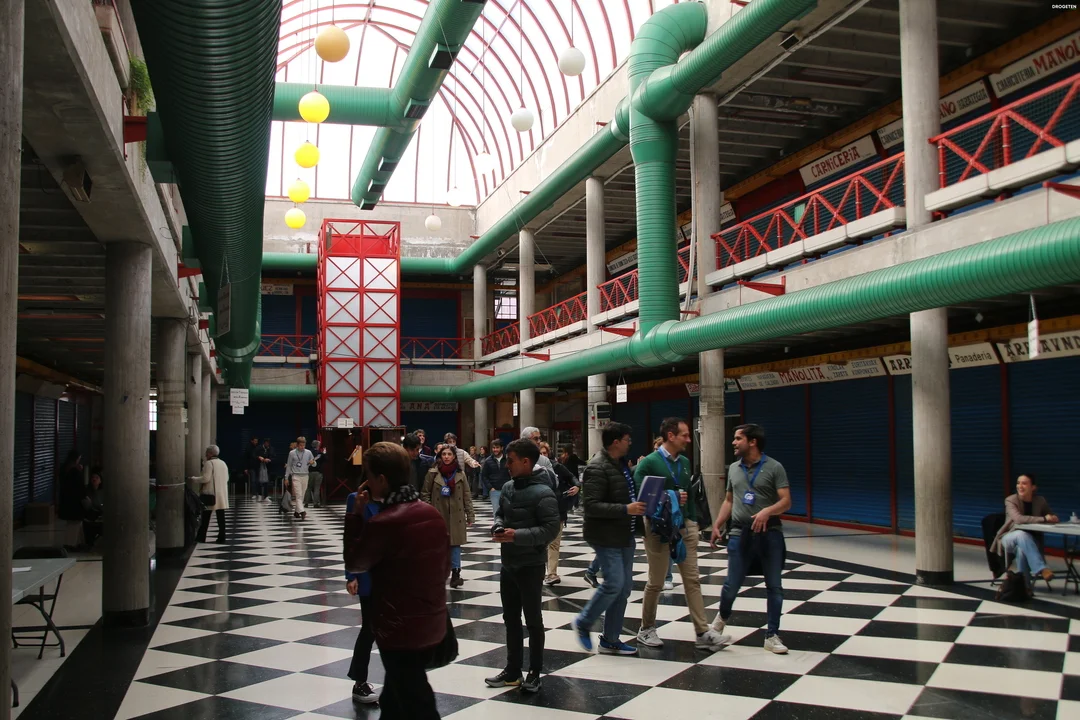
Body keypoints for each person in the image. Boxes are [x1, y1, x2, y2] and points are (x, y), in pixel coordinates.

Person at [343, 442, 449, 720]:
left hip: (398, 629)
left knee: (418, 703)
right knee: (395, 700)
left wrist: (355, 516)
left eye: (368, 475)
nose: (365, 482)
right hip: (430, 620)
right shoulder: (431, 513)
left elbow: (355, 562)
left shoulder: (384, 523)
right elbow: (445, 568)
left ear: (381, 480)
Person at [635, 418, 730, 653]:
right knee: (656, 581)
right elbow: (641, 498)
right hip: (658, 527)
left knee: (692, 578)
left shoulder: (685, 463)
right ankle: (646, 628)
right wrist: (670, 496)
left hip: (685, 525)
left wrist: (693, 521)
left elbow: (690, 494)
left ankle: (702, 632)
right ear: (671, 436)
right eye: (685, 435)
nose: (689, 439)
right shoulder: (649, 463)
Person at [710, 423, 792, 654]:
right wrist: (717, 523)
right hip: (740, 533)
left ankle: (772, 635)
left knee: (774, 586)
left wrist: (768, 511)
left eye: (738, 438)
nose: (733, 443)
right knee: (731, 583)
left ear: (752, 442)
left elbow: (786, 501)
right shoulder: (734, 469)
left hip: (770, 534)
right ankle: (719, 623)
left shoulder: (774, 467)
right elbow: (729, 500)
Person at [486, 439, 560, 693]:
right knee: (510, 618)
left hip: (531, 564)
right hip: (509, 564)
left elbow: (550, 529)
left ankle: (535, 672)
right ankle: (513, 670)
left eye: (510, 461)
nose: (506, 465)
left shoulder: (544, 493)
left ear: (526, 462)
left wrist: (516, 535)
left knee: (533, 620)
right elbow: (501, 513)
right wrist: (498, 526)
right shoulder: (508, 487)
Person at [571, 422, 642, 655]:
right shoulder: (597, 467)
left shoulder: (621, 464)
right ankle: (583, 622)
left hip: (624, 534)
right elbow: (591, 506)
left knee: (623, 588)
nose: (630, 443)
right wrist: (626, 509)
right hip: (605, 534)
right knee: (614, 584)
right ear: (616, 442)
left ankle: (610, 639)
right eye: (627, 439)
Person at [345, 482, 382, 704]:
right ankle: (359, 682)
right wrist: (351, 575)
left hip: (392, 573)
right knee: (369, 628)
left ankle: (399, 682)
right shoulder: (356, 499)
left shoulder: (395, 498)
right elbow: (351, 539)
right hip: (367, 574)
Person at [422, 444, 475, 588]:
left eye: (449, 454)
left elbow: (466, 495)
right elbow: (425, 493)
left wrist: (470, 514)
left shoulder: (460, 474)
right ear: (440, 456)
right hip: (438, 513)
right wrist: (430, 510)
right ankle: (438, 572)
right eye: (444, 454)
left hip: (456, 513)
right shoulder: (433, 473)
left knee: (455, 544)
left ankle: (456, 573)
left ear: (454, 457)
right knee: (439, 544)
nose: (446, 457)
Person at [991, 473, 1057, 584]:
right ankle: (1042, 568)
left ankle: (1025, 587)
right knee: (1021, 534)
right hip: (1009, 537)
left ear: (1033, 487)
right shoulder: (1011, 500)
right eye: (1018, 483)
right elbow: (1018, 519)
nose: (1020, 486)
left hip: (1031, 541)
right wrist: (1044, 519)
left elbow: (1050, 515)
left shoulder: (1040, 500)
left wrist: (1053, 517)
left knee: (1021, 550)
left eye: (1024, 483)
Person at [539, 441, 579, 586]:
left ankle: (552, 573)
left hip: (557, 509)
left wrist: (577, 486)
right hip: (539, 510)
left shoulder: (556, 466)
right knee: (540, 544)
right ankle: (539, 572)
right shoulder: (531, 469)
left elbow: (572, 477)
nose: (543, 456)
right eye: (540, 454)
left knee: (554, 543)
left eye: (545, 453)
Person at [196, 445, 229, 543]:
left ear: (210, 453)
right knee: (221, 517)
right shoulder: (223, 463)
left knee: (206, 517)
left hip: (211, 494)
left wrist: (193, 479)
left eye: (207, 452)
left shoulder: (209, 463)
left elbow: (205, 478)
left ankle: (201, 537)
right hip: (221, 494)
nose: (205, 454)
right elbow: (227, 478)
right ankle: (222, 537)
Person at [286, 436, 315, 520]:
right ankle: (302, 511)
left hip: (305, 475)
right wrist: (286, 477)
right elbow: (289, 466)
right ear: (297, 445)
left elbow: (314, 464)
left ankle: (296, 512)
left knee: (302, 495)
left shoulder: (308, 452)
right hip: (295, 476)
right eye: (301, 445)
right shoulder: (292, 453)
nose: (302, 447)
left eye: (304, 445)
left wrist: (313, 462)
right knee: (298, 494)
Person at [481, 439, 510, 507]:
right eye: (493, 448)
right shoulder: (488, 461)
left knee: (507, 510)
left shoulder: (508, 459)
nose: (495, 449)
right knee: (496, 511)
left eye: (497, 447)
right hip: (494, 490)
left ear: (502, 448)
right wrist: (490, 488)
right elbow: (484, 476)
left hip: (507, 490)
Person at [82, 471, 105, 548]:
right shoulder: (86, 491)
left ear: (100, 481)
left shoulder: (103, 492)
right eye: (92, 477)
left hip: (100, 518)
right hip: (90, 518)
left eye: (97, 478)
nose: (94, 479)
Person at [307, 440, 326, 508]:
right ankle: (316, 503)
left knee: (308, 488)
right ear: (318, 446)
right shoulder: (320, 453)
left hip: (309, 472)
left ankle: (306, 502)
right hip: (318, 472)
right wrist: (324, 453)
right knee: (317, 488)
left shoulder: (308, 453)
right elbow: (326, 460)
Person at [256, 438, 275, 503]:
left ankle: (266, 496)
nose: (267, 444)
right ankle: (259, 495)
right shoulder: (259, 448)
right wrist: (259, 457)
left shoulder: (271, 449)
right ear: (264, 443)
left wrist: (269, 459)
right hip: (259, 467)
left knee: (266, 482)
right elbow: (254, 455)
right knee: (259, 482)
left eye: (268, 443)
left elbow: (273, 457)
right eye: (266, 443)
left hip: (268, 468)